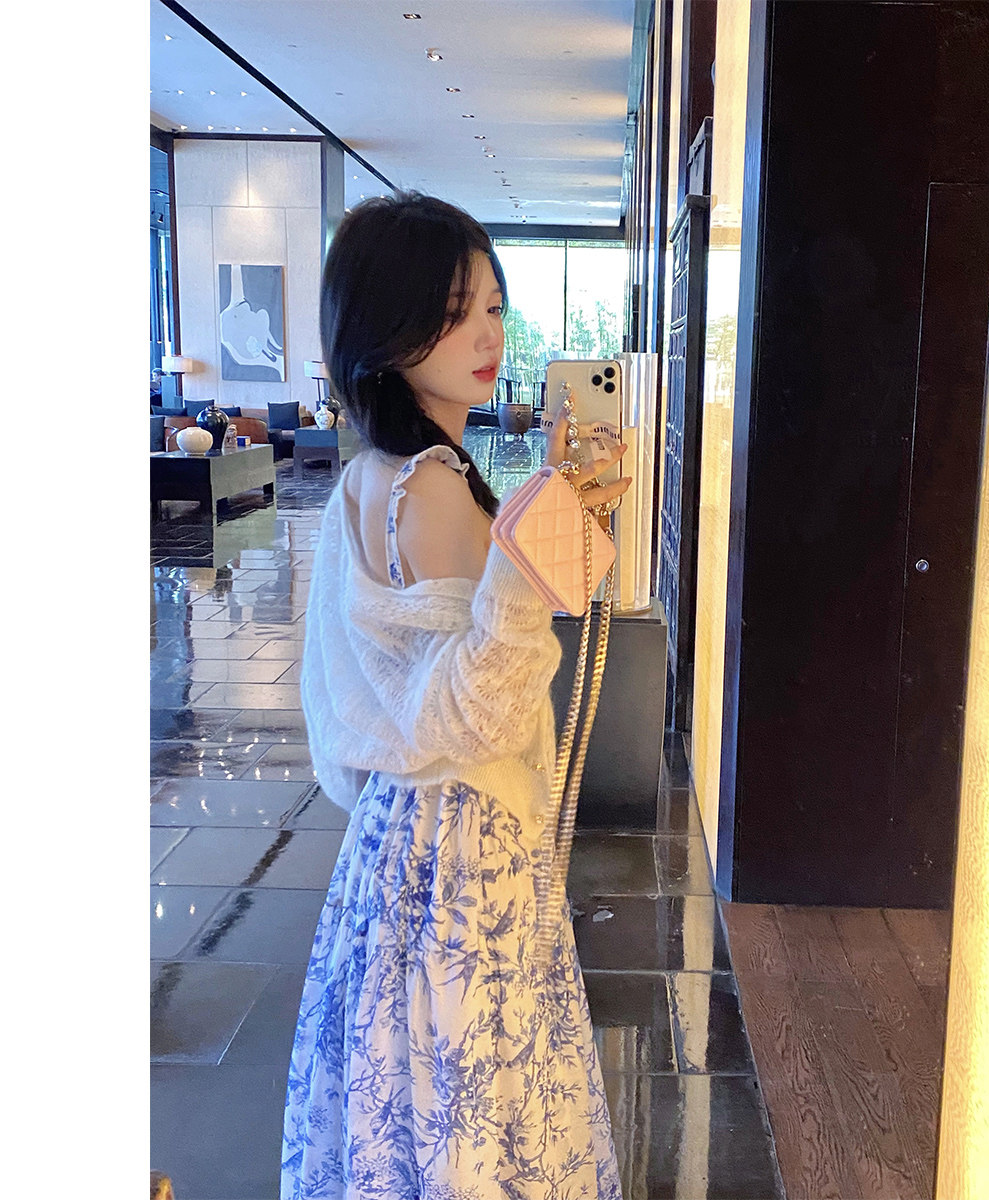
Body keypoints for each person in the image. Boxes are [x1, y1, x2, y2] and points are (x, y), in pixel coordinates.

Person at [283, 192, 630, 1200]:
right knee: (479, 1104)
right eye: (452, 311)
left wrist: (566, 521)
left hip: (401, 836)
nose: (487, 335)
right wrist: (536, 546)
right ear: (385, 330)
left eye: (492, 306)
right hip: (465, 843)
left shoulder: (373, 475)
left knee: (409, 1091)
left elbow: (394, 680)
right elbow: (476, 707)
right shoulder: (431, 483)